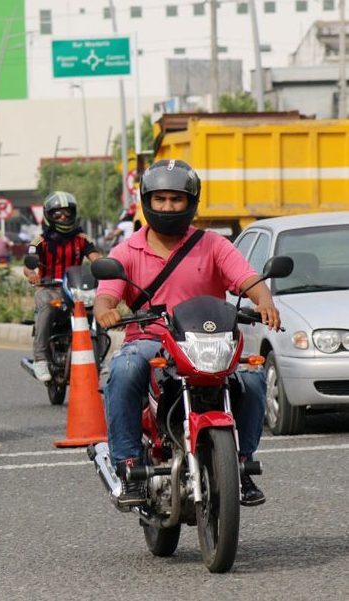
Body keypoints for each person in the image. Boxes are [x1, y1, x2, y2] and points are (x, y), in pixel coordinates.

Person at [94, 159, 279, 508]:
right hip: (151, 341)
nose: (167, 207)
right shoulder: (127, 250)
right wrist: (105, 309)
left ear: (191, 202)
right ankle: (129, 465)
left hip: (211, 342)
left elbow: (249, 280)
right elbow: (108, 292)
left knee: (253, 379)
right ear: (147, 201)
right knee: (123, 369)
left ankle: (240, 464)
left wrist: (264, 300)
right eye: (160, 199)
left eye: (176, 199)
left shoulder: (213, 245)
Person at [23, 191, 101, 382]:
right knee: (47, 309)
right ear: (49, 215)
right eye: (58, 214)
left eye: (67, 213)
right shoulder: (40, 241)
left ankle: (100, 358)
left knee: (98, 310)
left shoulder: (83, 239)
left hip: (77, 290)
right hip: (49, 288)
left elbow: (96, 259)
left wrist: (104, 268)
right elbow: (28, 265)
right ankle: (40, 359)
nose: (63, 217)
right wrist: (32, 274)